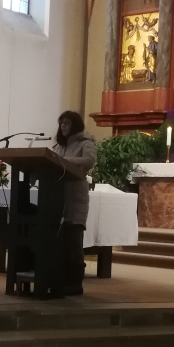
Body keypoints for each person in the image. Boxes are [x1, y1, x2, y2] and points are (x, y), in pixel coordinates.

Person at [52, 111, 97, 296]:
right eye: (61, 123)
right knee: (60, 242)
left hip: (76, 199)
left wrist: (61, 161)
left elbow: (89, 160)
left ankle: (76, 283)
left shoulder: (86, 144)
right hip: (57, 199)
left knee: (74, 242)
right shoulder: (58, 147)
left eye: (67, 123)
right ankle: (60, 279)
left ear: (75, 125)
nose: (63, 126)